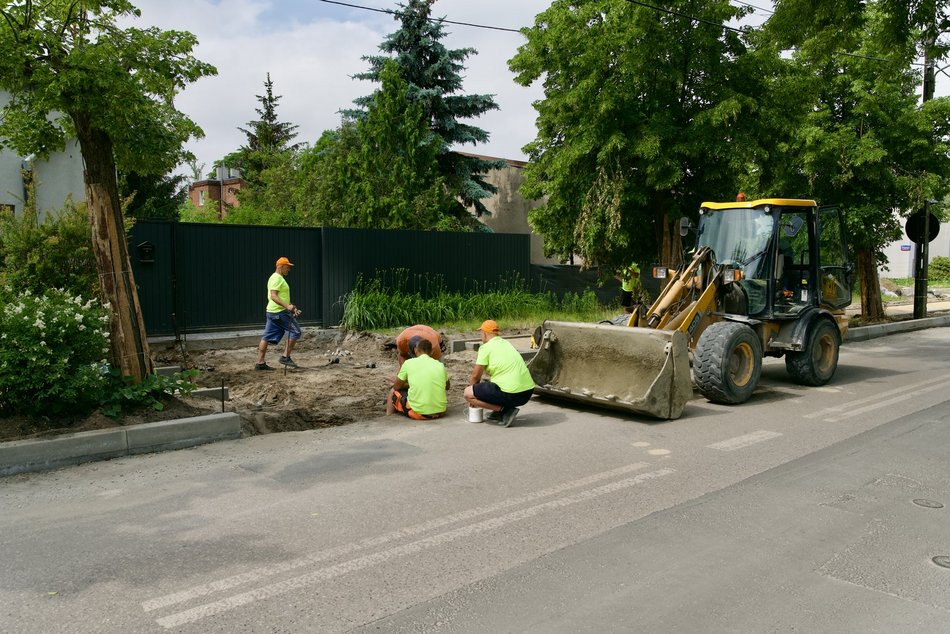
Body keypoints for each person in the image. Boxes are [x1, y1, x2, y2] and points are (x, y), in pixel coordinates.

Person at [463, 320, 535, 428]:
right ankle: (499, 411)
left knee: (468, 393)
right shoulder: (506, 343)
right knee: (493, 384)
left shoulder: (485, 348)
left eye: (480, 333)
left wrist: (473, 397)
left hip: (512, 394)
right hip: (527, 393)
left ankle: (504, 410)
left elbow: (475, 376)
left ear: (484, 333)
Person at [256, 256, 302, 370]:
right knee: (296, 332)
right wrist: (287, 306)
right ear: (281, 267)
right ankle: (285, 357)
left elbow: (280, 296)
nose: (289, 269)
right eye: (287, 267)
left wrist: (291, 307)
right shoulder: (277, 278)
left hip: (272, 312)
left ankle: (260, 363)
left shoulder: (275, 277)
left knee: (266, 337)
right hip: (279, 312)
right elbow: (273, 296)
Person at [386, 338, 450, 420]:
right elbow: (447, 386)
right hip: (441, 412)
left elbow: (397, 387)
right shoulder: (440, 365)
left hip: (419, 413)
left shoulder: (408, 363)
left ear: (416, 350)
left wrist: (408, 384)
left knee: (393, 392)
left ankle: (388, 417)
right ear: (432, 351)